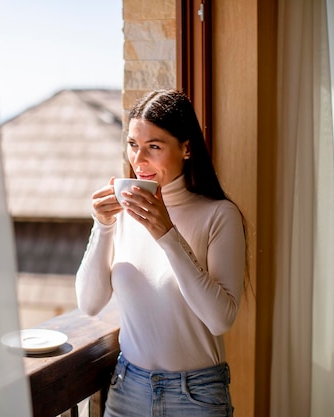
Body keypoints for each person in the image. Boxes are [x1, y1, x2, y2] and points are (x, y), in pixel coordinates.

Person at [75, 89, 246, 417]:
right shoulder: (124, 214)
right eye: (133, 145)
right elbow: (89, 303)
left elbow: (220, 318)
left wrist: (166, 233)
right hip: (128, 388)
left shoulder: (219, 215)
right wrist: (103, 224)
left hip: (196, 396)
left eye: (154, 146)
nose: (138, 161)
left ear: (185, 148)